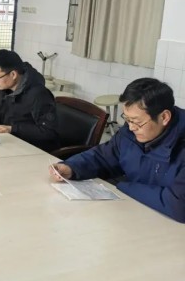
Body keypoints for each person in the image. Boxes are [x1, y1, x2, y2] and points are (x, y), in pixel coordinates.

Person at [50, 78, 185, 223]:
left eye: (137, 122)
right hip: (135, 214)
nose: (131, 127)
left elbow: (178, 205)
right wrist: (72, 167)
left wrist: (123, 187)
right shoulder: (131, 132)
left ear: (164, 117)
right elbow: (105, 156)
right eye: (127, 119)